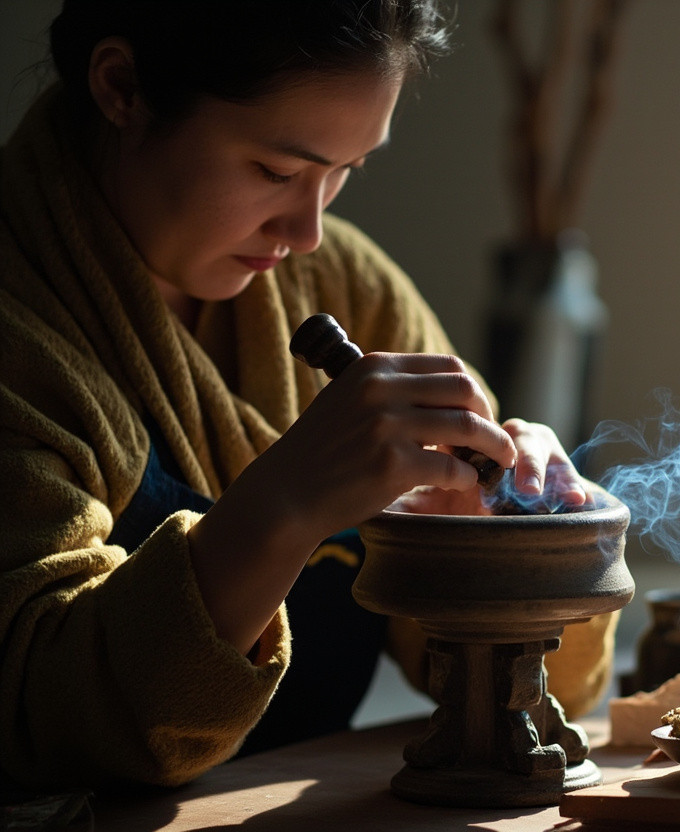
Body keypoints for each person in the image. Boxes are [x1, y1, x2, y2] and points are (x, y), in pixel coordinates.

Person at [0, 0, 618, 790]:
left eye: (345, 172)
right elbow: (43, 720)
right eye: (276, 171)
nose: (308, 231)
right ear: (123, 87)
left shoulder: (345, 288)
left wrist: (522, 544)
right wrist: (287, 502)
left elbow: (534, 701)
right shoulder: (22, 325)